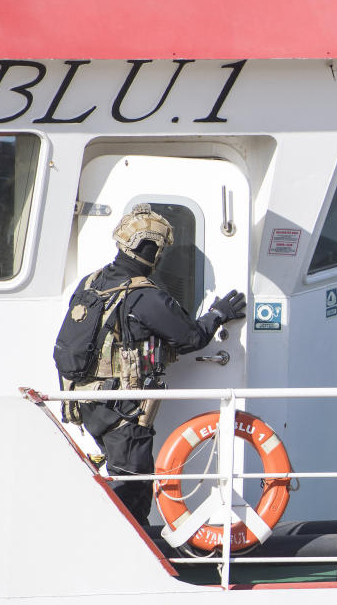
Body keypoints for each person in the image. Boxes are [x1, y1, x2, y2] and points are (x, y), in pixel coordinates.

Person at [56, 203, 247, 525]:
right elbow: (190, 338)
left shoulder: (91, 283)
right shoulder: (145, 296)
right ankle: (131, 553)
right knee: (133, 484)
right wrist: (218, 314)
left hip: (87, 400)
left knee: (121, 476)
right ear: (153, 250)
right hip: (123, 409)